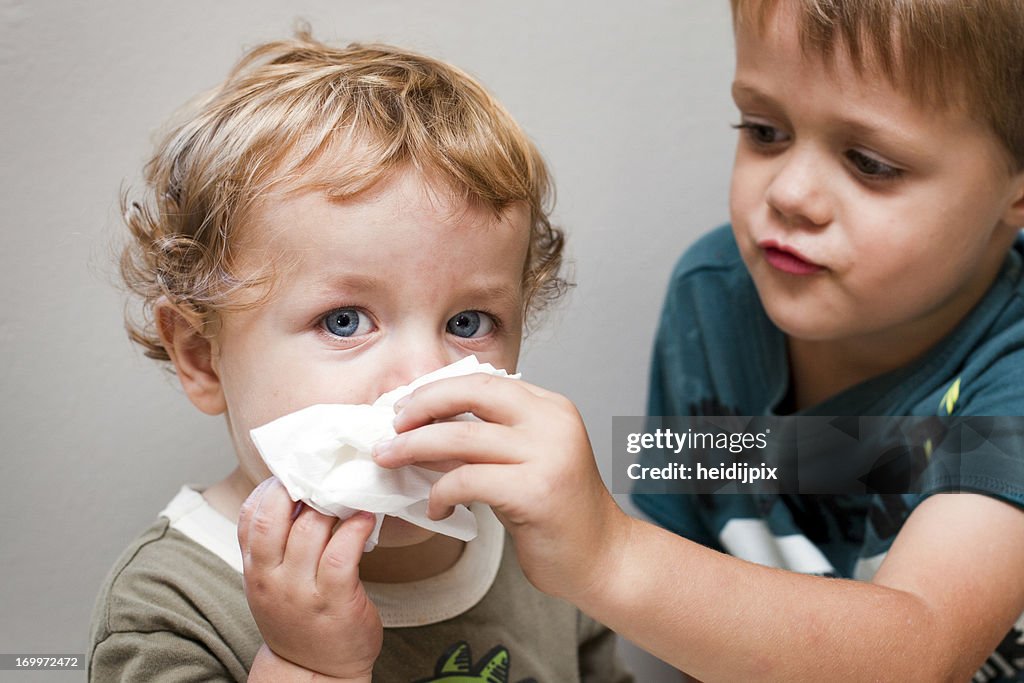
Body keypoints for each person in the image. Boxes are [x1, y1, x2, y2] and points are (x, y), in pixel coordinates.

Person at [370, 0, 1024, 679]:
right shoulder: (715, 298)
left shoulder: (1010, 373)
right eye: (765, 131)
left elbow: (924, 652)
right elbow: (691, 578)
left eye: (869, 162)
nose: (791, 193)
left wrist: (610, 553)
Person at [88, 31, 634, 683]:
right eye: (344, 321)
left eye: (468, 322)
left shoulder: (542, 550)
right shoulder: (170, 606)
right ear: (202, 356)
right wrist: (304, 664)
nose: (422, 378)